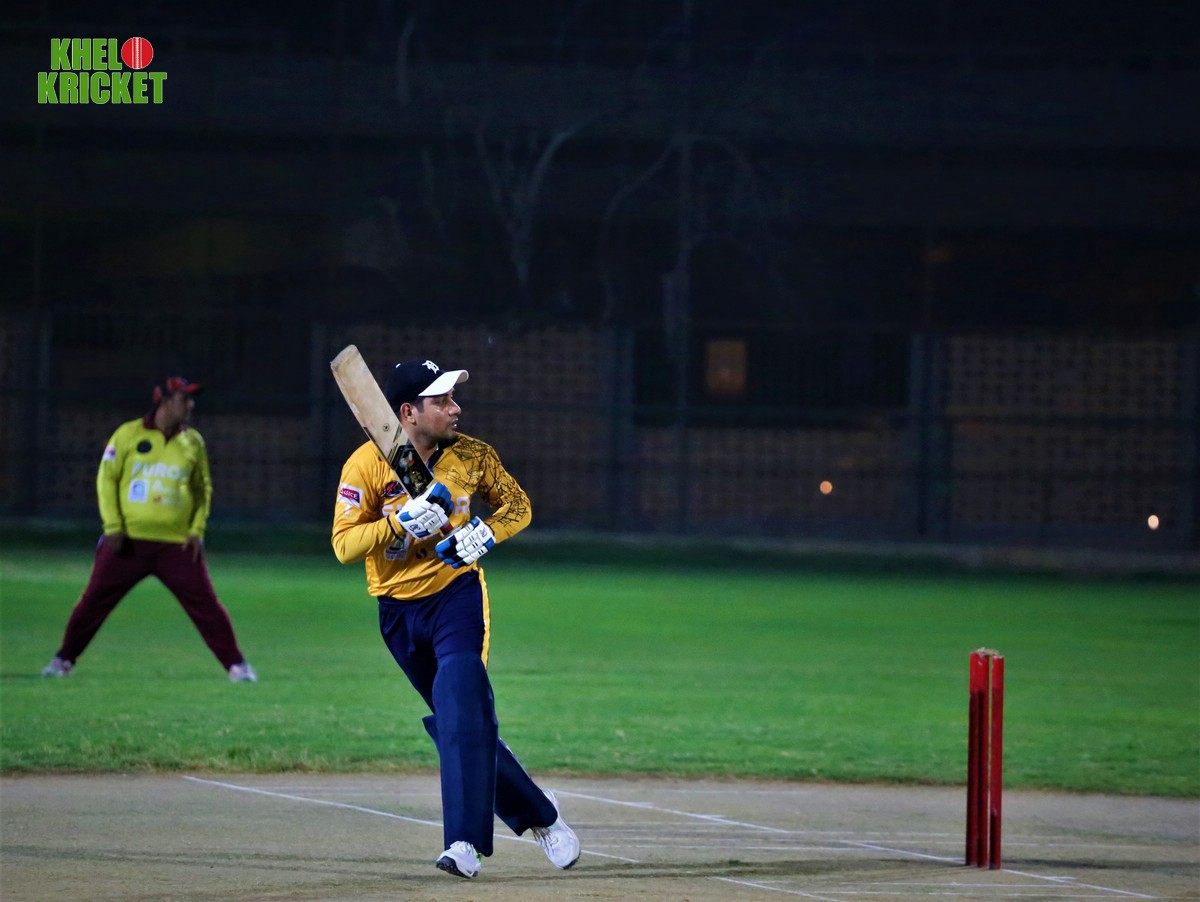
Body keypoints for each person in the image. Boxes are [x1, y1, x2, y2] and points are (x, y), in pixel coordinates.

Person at [331, 358, 579, 879]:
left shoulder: (473, 456)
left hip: (456, 598)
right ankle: (542, 814)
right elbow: (344, 546)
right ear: (407, 413)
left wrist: (484, 534)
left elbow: (518, 506)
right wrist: (398, 523)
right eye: (441, 400)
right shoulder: (366, 464)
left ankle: (464, 844)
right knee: (459, 722)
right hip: (397, 612)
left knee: (461, 703)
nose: (455, 408)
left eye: (453, 398)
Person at [41, 376, 257, 684]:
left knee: (205, 605)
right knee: (94, 602)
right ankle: (63, 659)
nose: (190, 405)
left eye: (191, 399)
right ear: (165, 401)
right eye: (184, 399)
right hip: (128, 542)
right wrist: (113, 526)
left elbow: (202, 488)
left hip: (176, 544)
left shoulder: (193, 441)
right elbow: (107, 480)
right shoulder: (127, 434)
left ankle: (237, 666)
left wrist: (196, 530)